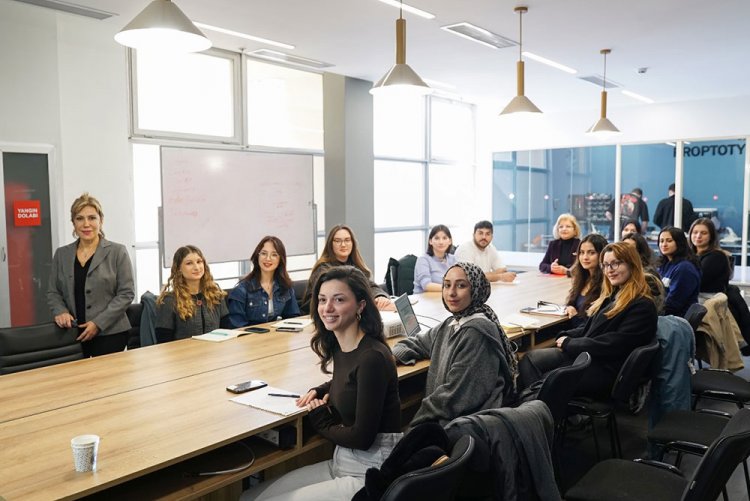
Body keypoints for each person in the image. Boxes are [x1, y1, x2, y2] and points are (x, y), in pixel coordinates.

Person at [244, 266, 401, 501]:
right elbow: (350, 378)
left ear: (360, 305)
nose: (327, 308)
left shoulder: (372, 358)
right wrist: (322, 389)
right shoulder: (343, 345)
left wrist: (321, 421)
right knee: (249, 497)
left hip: (369, 472)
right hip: (343, 460)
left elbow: (362, 438)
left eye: (339, 300)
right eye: (322, 300)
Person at [520, 242, 658, 399]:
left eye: (615, 263)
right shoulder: (614, 295)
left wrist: (569, 343)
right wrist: (565, 335)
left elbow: (612, 345)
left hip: (603, 368)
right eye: (605, 265)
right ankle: (550, 407)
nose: (609, 270)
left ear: (632, 264)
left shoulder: (642, 305)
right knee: (529, 360)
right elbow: (591, 327)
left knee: (547, 382)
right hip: (588, 356)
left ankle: (542, 409)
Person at [393, 262, 518, 426]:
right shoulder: (452, 323)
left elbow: (453, 398)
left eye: (461, 285)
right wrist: (391, 356)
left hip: (467, 425)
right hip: (447, 416)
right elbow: (418, 343)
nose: (451, 293)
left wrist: (414, 426)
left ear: (476, 289)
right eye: (446, 285)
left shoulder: (477, 332)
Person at [47, 193, 135, 357]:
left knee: (106, 382)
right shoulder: (62, 254)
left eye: (92, 218)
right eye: (80, 218)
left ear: (101, 220)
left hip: (110, 334)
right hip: (71, 334)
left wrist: (98, 323)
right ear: (73, 222)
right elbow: (53, 292)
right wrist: (61, 311)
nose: (86, 224)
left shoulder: (117, 252)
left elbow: (126, 293)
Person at [301, 225, 392, 312]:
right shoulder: (324, 269)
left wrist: (379, 296)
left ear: (353, 243)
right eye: (337, 241)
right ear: (330, 244)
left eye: (347, 240)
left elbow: (369, 286)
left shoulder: (354, 265)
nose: (343, 245)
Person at [155, 245, 229, 342]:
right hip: (184, 355)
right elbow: (163, 342)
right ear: (179, 269)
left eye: (199, 262)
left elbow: (227, 331)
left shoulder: (216, 295)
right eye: (189, 263)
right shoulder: (169, 300)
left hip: (215, 353)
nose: (196, 267)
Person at [227, 236, 300, 327]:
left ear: (280, 259)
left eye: (274, 255)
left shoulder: (285, 286)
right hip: (249, 339)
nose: (268, 259)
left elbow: (293, 319)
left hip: (278, 338)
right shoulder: (241, 290)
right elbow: (237, 326)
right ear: (257, 256)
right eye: (264, 253)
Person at [564, 234, 608, 327]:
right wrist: (569, 307)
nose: (585, 257)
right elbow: (571, 304)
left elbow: (594, 326)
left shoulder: (606, 284)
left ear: (602, 255)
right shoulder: (582, 278)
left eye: (591, 253)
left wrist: (575, 316)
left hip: (585, 336)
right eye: (582, 252)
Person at [657, 227, 701, 317]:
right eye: (661, 241)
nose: (664, 244)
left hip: (675, 319)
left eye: (669, 241)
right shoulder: (665, 263)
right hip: (665, 314)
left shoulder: (684, 268)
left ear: (679, 243)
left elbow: (673, 303)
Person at [689, 217, 733, 293]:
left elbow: (696, 281)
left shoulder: (716, 256)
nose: (698, 236)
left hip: (707, 300)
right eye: (695, 232)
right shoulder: (690, 255)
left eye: (704, 233)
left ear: (711, 236)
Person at [413, 224, 457, 293]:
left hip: (445, 298)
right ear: (430, 241)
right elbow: (426, 285)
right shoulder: (423, 260)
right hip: (424, 300)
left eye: (444, 238)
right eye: (437, 238)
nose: (441, 242)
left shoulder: (453, 259)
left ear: (450, 241)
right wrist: (451, 288)